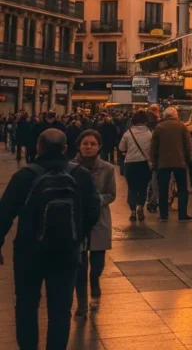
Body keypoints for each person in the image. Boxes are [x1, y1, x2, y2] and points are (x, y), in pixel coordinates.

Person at [0, 128, 101, 350]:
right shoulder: (80, 175)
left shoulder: (24, 176)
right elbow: (94, 211)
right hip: (66, 254)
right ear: (66, 149)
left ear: (38, 147)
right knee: (60, 310)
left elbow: (4, 214)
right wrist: (78, 236)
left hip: (29, 253)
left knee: (26, 306)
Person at [72, 130, 116, 317]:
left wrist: (95, 199)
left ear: (98, 147)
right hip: (78, 220)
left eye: (92, 144)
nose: (88, 147)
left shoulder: (107, 168)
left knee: (96, 265)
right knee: (79, 265)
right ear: (79, 146)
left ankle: (95, 286)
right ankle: (82, 302)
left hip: (99, 219)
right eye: (85, 144)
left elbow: (111, 194)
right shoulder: (71, 168)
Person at [151, 107, 192, 221]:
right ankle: (182, 214)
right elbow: (188, 145)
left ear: (165, 116)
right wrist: (189, 160)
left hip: (163, 163)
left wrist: (153, 162)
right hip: (180, 162)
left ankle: (163, 215)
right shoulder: (182, 126)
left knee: (163, 189)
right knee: (183, 189)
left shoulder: (159, 128)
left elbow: (153, 147)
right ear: (175, 115)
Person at [119, 110, 154, 221]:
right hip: (144, 164)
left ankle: (133, 212)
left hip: (131, 164)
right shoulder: (150, 133)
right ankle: (140, 207)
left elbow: (121, 148)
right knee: (143, 187)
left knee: (132, 188)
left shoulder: (128, 133)